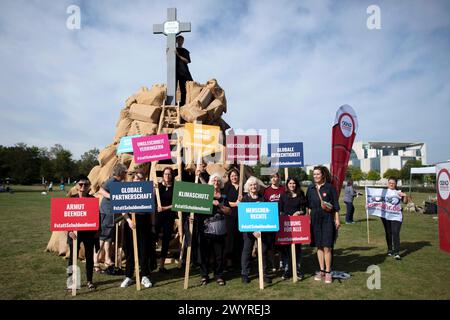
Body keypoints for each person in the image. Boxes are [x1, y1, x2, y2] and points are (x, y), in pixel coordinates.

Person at [306, 166, 340, 284]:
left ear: (323, 175)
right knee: (319, 246)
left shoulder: (330, 188)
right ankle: (321, 270)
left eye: (318, 174)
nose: (315, 176)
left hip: (327, 219)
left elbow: (336, 206)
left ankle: (328, 271)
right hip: (315, 220)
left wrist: (337, 220)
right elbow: (309, 207)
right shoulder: (310, 188)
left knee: (327, 246)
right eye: (314, 174)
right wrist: (309, 219)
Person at [120, 170, 154, 288]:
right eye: (136, 179)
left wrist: (153, 225)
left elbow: (151, 211)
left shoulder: (148, 191)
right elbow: (122, 207)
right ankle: (129, 276)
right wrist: (129, 221)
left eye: (140, 178)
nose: (138, 180)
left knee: (144, 250)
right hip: (130, 223)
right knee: (129, 251)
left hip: (144, 222)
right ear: (133, 180)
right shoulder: (126, 191)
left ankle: (145, 275)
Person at [66, 175, 99, 291]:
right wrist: (69, 231)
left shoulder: (93, 200)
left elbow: (97, 217)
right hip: (74, 233)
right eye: (81, 184)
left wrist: (96, 232)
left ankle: (89, 281)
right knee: (72, 258)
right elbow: (65, 217)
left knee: (89, 257)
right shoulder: (71, 199)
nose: (83, 187)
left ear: (89, 186)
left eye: (85, 184)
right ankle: (71, 282)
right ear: (76, 186)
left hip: (89, 233)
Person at [198, 173, 230, 286]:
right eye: (214, 181)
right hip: (206, 230)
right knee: (205, 254)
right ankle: (204, 275)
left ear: (220, 183)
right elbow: (197, 207)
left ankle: (219, 275)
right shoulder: (204, 194)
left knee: (219, 255)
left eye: (218, 181)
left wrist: (220, 206)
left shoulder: (224, 196)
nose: (216, 183)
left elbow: (229, 211)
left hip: (220, 231)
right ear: (210, 182)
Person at [240, 176, 272, 284]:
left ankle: (264, 274)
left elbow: (266, 214)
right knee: (247, 251)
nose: (253, 186)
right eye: (251, 185)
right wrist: (252, 230)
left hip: (262, 231)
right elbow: (243, 217)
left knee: (263, 251)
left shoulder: (262, 198)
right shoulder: (244, 199)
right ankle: (245, 274)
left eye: (255, 185)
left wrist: (260, 230)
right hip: (249, 231)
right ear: (247, 187)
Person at [97, 163, 128, 273]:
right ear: (121, 173)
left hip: (112, 213)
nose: (126, 174)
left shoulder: (119, 182)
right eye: (125, 172)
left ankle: (107, 259)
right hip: (107, 212)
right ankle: (96, 261)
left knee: (108, 237)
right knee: (104, 236)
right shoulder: (112, 181)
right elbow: (100, 190)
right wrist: (111, 196)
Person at [278, 177, 308, 280]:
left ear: (296, 184)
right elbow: (280, 210)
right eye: (290, 183)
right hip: (285, 224)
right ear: (287, 184)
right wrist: (283, 216)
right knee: (285, 249)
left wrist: (298, 212)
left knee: (297, 248)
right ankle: (286, 270)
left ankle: (297, 269)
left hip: (297, 225)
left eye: (294, 183)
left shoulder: (301, 194)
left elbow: (304, 210)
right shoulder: (283, 195)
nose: (292, 185)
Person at [263, 172, 285, 272]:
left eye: (275, 177)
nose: (274, 179)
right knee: (270, 244)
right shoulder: (266, 191)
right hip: (270, 220)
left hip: (281, 218)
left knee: (280, 242)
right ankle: (272, 264)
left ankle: (281, 262)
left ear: (278, 178)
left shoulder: (283, 189)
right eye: (272, 177)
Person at [156, 167, 177, 273]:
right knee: (153, 236)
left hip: (169, 216)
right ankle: (151, 262)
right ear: (162, 175)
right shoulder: (158, 187)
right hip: (157, 216)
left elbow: (177, 203)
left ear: (172, 176)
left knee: (166, 239)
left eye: (169, 174)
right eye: (165, 174)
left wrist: (165, 208)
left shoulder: (175, 188)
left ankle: (162, 265)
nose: (167, 176)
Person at [381, 177, 408, 260]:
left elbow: (405, 202)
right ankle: (390, 249)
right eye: (390, 183)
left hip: (396, 215)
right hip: (385, 215)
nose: (391, 184)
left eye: (393, 183)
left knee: (395, 232)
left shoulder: (398, 192)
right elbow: (376, 200)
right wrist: (369, 204)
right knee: (388, 232)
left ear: (395, 184)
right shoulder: (383, 192)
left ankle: (396, 253)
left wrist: (405, 196)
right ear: (387, 183)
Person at [222, 168, 243, 270]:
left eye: (236, 175)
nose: (234, 177)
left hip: (242, 216)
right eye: (232, 176)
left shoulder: (242, 186)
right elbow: (225, 201)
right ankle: (229, 262)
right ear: (230, 178)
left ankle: (239, 260)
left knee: (240, 238)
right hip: (230, 216)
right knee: (230, 238)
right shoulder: (227, 187)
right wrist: (236, 204)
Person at [175, 35, 193, 106]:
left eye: (181, 40)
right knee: (174, 88)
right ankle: (174, 103)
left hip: (183, 72)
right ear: (176, 41)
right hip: (174, 71)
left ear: (183, 41)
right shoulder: (173, 50)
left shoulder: (185, 51)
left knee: (184, 88)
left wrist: (178, 55)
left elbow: (187, 61)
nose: (180, 41)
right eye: (178, 39)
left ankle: (183, 104)